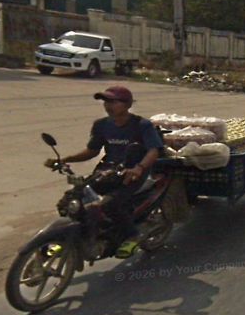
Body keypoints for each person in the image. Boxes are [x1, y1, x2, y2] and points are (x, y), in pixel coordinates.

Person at [44, 85, 163, 258]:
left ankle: (132, 235)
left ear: (127, 104)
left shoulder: (142, 125)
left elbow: (154, 150)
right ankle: (76, 237)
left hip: (133, 174)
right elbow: (92, 151)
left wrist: (139, 168)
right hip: (107, 171)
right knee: (72, 199)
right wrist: (65, 160)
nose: (108, 105)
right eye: (105, 102)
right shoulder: (101, 125)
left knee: (110, 204)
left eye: (113, 102)